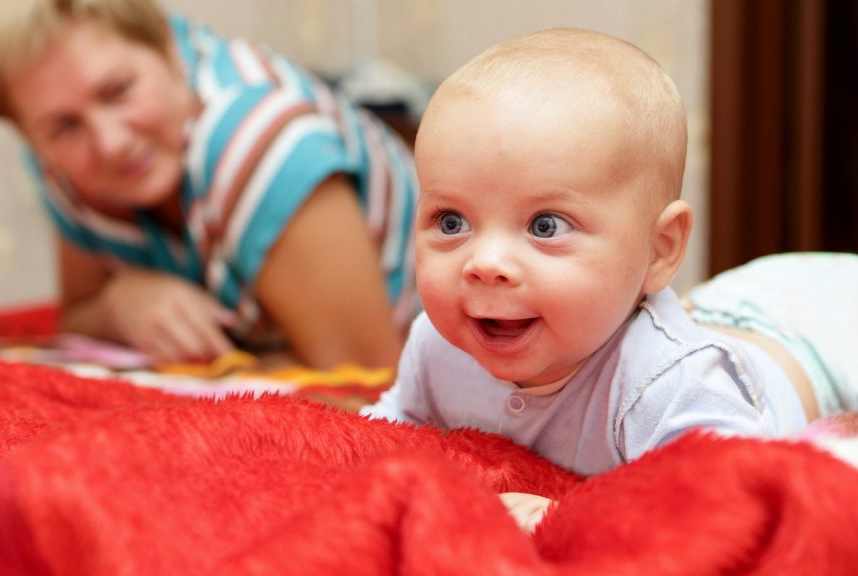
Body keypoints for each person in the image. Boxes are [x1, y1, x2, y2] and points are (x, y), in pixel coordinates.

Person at [363, 27, 858, 484]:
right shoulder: (438, 346)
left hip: (815, 330)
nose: (485, 262)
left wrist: (564, 513)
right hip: (717, 310)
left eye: (545, 226)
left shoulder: (666, 384)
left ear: (659, 250)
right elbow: (386, 434)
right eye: (452, 223)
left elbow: (721, 503)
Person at [0, 0, 420, 369]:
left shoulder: (259, 142)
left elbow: (368, 379)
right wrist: (122, 301)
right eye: (63, 126)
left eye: (117, 91)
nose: (110, 143)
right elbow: (80, 314)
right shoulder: (58, 159)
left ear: (163, 43)